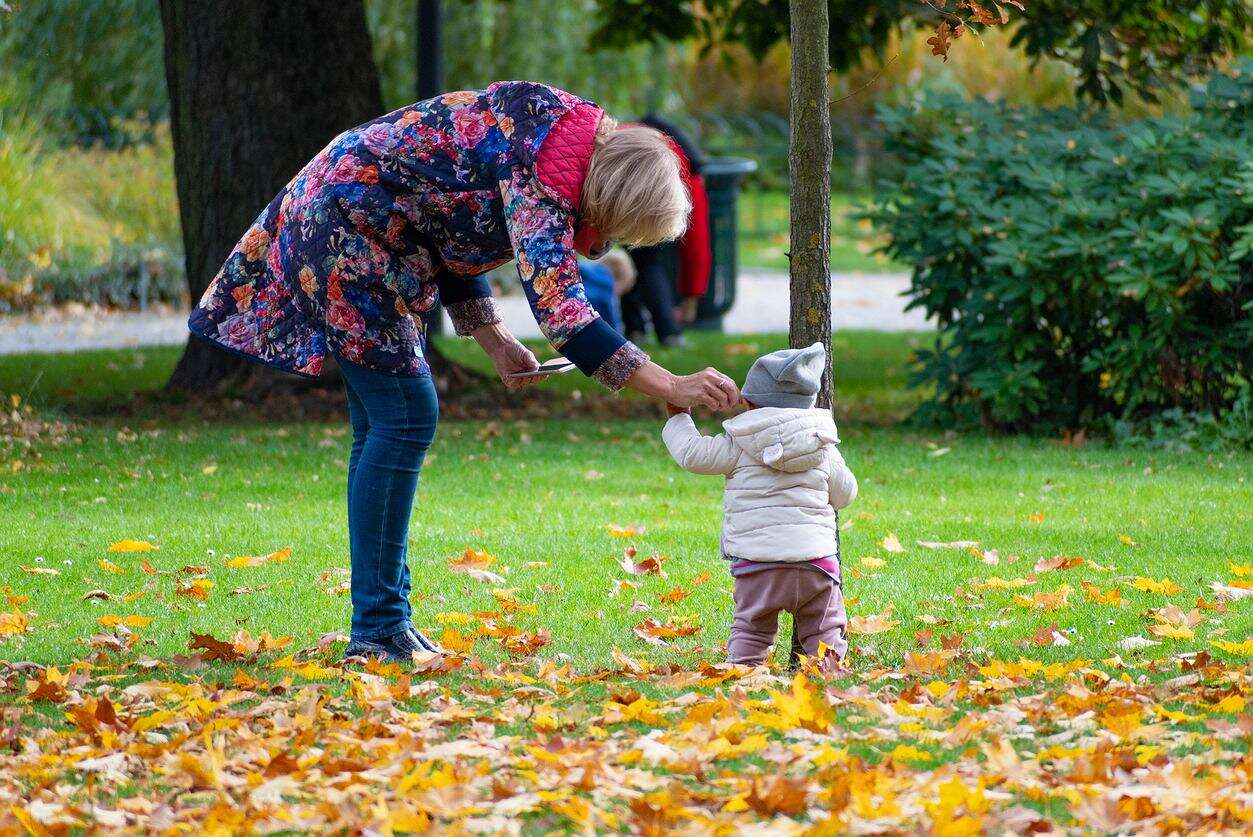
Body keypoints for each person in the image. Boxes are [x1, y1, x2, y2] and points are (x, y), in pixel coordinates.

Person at [188, 82, 741, 662]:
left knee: (384, 423)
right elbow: (567, 318)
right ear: (607, 197)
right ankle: (378, 628)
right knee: (405, 415)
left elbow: (449, 214)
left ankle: (383, 623)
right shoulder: (547, 181)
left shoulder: (556, 132)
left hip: (355, 216)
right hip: (351, 227)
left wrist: (495, 340)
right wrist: (671, 386)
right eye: (617, 229)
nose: (604, 245)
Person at [660, 343, 857, 665]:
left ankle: (744, 679)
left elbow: (692, 454)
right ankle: (828, 681)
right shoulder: (823, 447)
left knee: (752, 631)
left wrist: (678, 414)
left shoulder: (738, 443)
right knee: (825, 633)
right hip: (816, 564)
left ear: (749, 402)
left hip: (758, 564)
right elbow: (845, 495)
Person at [620, 115, 711, 346]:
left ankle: (634, 328)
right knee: (647, 263)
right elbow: (697, 243)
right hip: (647, 201)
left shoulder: (624, 138)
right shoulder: (685, 168)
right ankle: (668, 331)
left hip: (619, 196)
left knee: (629, 258)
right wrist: (691, 297)